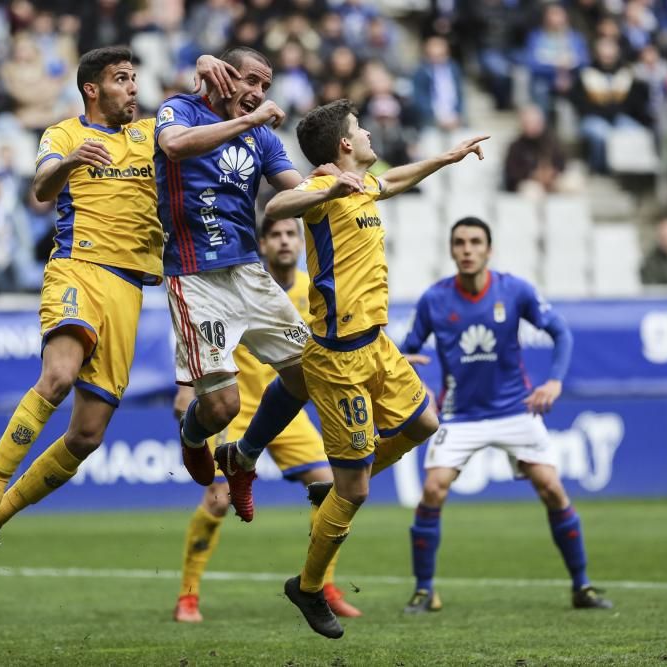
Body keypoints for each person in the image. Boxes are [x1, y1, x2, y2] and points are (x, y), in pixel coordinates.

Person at [263, 99, 486, 639]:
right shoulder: (324, 191)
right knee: (357, 493)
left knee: (425, 424)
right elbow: (277, 208)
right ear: (344, 144)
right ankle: (309, 587)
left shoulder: (364, 186)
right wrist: (328, 188)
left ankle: (336, 486)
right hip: (338, 358)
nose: (367, 134)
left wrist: (446, 158)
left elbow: (397, 180)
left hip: (378, 345)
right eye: (359, 129)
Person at [0, 46, 166, 578]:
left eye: (135, 78)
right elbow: (41, 188)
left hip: (132, 287)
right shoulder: (64, 134)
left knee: (87, 436)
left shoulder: (151, 136)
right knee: (58, 376)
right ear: (92, 89)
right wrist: (72, 162)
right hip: (78, 267)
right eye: (121, 79)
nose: (133, 88)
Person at [397, 217, 613, 614]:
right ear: (451, 250)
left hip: (515, 409)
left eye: (475, 242)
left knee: (551, 488)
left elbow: (560, 332)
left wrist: (554, 383)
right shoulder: (435, 299)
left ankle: (582, 586)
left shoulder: (514, 290)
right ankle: (424, 590)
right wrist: (413, 383)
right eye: (459, 242)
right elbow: (405, 351)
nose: (467, 249)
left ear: (488, 250)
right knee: (432, 490)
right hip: (459, 414)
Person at [154, 46, 315, 524]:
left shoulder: (262, 139)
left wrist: (333, 179)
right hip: (195, 274)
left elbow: (295, 188)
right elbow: (175, 147)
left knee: (307, 375)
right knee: (223, 406)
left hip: (248, 270)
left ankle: (243, 459)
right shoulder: (180, 108)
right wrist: (251, 121)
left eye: (265, 86)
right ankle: (191, 436)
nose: (259, 93)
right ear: (223, 76)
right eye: (251, 81)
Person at [172, 217, 361, 622]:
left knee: (332, 489)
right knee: (217, 501)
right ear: (262, 243)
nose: (285, 241)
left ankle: (321, 584)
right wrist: (187, 388)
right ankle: (188, 594)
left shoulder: (315, 289)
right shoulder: (242, 284)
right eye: (275, 235)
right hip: (238, 413)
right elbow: (200, 328)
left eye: (291, 234)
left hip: (287, 412)